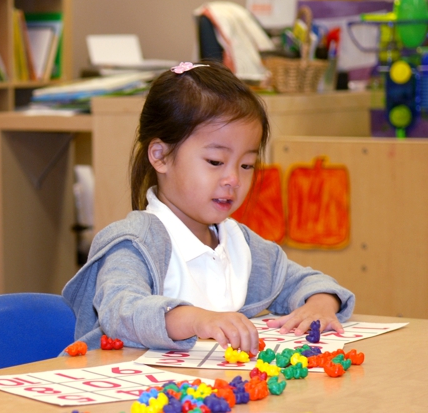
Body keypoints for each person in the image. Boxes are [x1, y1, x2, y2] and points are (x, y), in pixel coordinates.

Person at [62, 61, 355, 356]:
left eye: (246, 165)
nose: (233, 180)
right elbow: (120, 310)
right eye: (215, 162)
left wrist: (319, 304)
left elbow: (305, 281)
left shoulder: (238, 242)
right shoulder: (134, 242)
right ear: (161, 156)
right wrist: (196, 320)